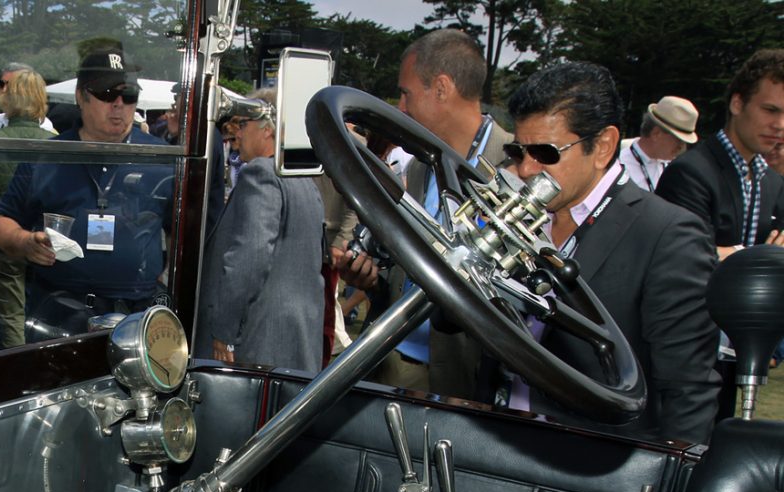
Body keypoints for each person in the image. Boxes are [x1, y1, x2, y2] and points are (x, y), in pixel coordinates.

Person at [495, 61, 719, 445]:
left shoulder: (668, 235)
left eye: (546, 153)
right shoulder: (516, 216)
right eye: (518, 150)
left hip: (595, 472)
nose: (528, 169)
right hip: (497, 445)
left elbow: (687, 391)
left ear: (602, 146)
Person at [356, 28, 514, 398]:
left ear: (441, 88)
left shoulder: (513, 167)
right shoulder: (419, 166)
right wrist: (371, 278)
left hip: (465, 379)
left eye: (407, 93)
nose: (401, 107)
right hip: (394, 357)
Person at [0, 49, 172, 334]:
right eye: (106, 92)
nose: (119, 104)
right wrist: (25, 242)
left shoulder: (160, 159)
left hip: (138, 314)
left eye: (129, 95)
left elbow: (185, 232)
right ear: (80, 96)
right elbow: (0, 224)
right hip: (58, 312)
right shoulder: (48, 156)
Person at [197, 90, 327, 373]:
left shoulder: (261, 174)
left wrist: (224, 331)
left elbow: (249, 258)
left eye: (242, 124)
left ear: (268, 129)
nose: (236, 135)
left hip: (257, 342)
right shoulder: (305, 182)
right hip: (297, 341)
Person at [658, 49, 784, 259]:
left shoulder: (772, 181)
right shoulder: (689, 173)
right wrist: (762, 255)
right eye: (770, 110)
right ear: (737, 104)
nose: (780, 125)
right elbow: (686, 258)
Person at [0, 70, 56, 349]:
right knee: (44, 304)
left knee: (11, 310)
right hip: (44, 230)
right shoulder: (56, 141)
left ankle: (18, 357)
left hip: (5, 229)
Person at [616, 95, 698, 191]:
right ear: (656, 133)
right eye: (678, 140)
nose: (681, 147)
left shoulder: (673, 168)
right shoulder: (619, 167)